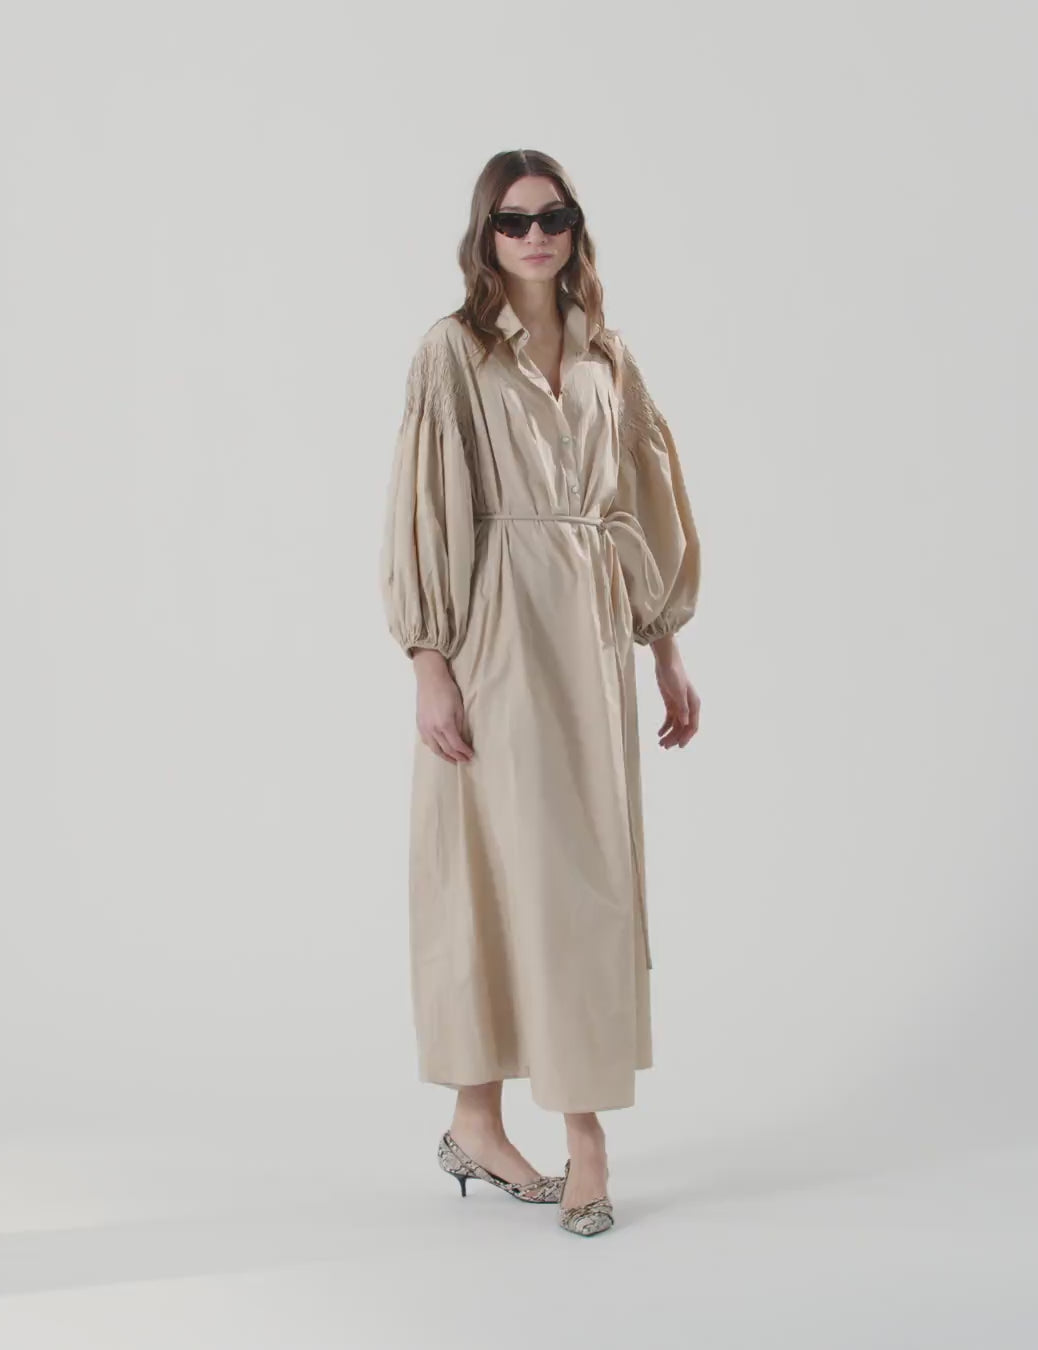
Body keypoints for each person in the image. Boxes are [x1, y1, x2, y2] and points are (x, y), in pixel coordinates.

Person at [379, 149, 701, 1236]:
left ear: (576, 227)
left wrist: (664, 644)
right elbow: (423, 503)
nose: (535, 236)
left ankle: (515, 1125)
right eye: (513, 221)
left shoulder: (607, 353)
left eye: (553, 216)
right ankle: (552, 1134)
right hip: (496, 631)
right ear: (485, 235)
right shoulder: (453, 351)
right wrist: (428, 659)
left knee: (582, 875)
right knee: (494, 870)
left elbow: (642, 499)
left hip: (593, 634)